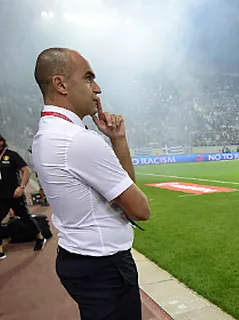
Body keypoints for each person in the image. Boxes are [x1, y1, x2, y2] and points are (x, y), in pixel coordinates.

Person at [31, 48, 150, 320]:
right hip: (104, 267)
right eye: (88, 78)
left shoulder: (47, 133)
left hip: (79, 258)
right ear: (60, 84)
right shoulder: (77, 140)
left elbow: (123, 185)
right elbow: (140, 209)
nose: (97, 88)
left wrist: (117, 139)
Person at [0, 134, 47, 260]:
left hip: (15, 195)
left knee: (26, 218)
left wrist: (21, 187)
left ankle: (40, 237)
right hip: (1, 197)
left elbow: (26, 170)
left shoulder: (11, 155)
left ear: (1, 142)